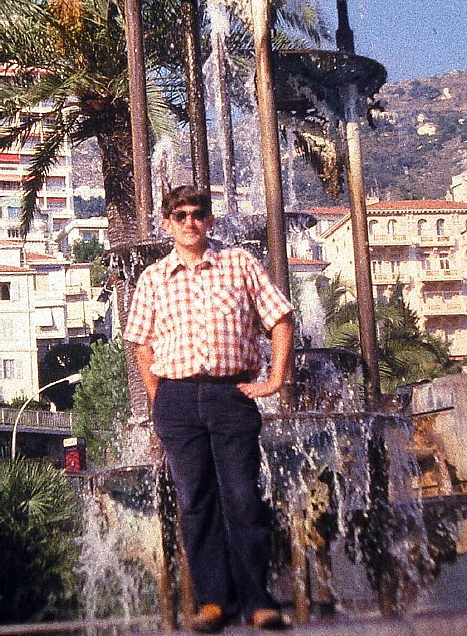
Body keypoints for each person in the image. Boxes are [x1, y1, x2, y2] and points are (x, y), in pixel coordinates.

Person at [123, 185, 294, 633]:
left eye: (197, 214)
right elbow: (142, 343)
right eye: (179, 215)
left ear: (210, 221)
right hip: (177, 398)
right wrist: (159, 397)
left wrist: (275, 379)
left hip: (230, 393)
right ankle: (213, 601)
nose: (189, 222)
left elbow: (280, 319)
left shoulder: (240, 264)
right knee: (195, 501)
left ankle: (258, 602)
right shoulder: (153, 279)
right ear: (167, 224)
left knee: (243, 497)